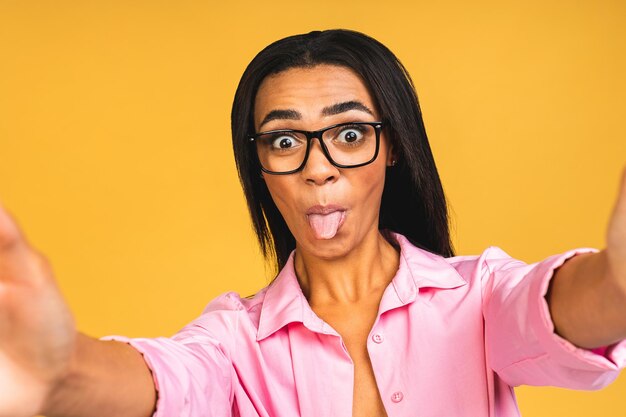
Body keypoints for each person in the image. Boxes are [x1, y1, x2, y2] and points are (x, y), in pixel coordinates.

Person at [0, 29, 625, 417]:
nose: (317, 169)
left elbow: (551, 313)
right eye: (283, 141)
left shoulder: (479, 298)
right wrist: (58, 375)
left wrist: (618, 285)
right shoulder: (231, 344)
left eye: (349, 134)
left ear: (393, 147)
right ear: (260, 165)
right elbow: (167, 382)